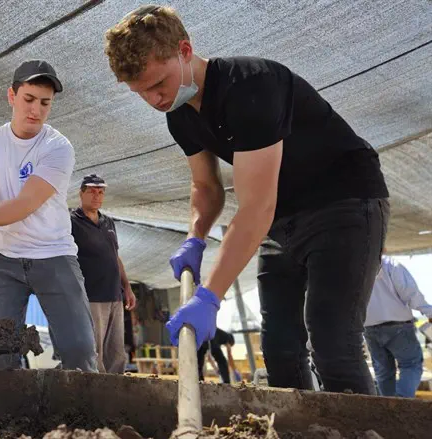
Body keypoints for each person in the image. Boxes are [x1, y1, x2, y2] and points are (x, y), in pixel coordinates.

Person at [105, 6, 389, 394]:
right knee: (280, 348)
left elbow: (256, 207)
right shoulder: (179, 114)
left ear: (185, 51)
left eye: (159, 84)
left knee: (332, 342)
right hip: (283, 220)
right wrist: (195, 236)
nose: (154, 99)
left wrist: (209, 297)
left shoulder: (251, 86)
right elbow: (206, 188)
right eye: (142, 93)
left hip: (343, 204)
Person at [0, 60, 98, 372]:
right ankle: (11, 419)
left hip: (53, 253)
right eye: (29, 99)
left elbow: (25, 203)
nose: (36, 110)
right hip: (3, 259)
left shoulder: (58, 147)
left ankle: (80, 416)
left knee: (79, 352)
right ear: (12, 96)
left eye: (45, 103)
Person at [70, 174, 137, 373]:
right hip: (91, 295)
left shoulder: (108, 222)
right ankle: (96, 393)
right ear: (81, 193)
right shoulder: (72, 222)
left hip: (114, 295)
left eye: (100, 192)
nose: (96, 196)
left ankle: (116, 393)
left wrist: (127, 287)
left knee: (117, 352)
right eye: (91, 191)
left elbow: (115, 256)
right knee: (95, 350)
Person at [364, 254, 431, 397]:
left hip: (369, 328)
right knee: (411, 365)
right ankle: (401, 401)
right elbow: (411, 293)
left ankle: (388, 409)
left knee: (383, 371)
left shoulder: (353, 267)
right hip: (398, 327)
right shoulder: (389, 264)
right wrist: (428, 312)